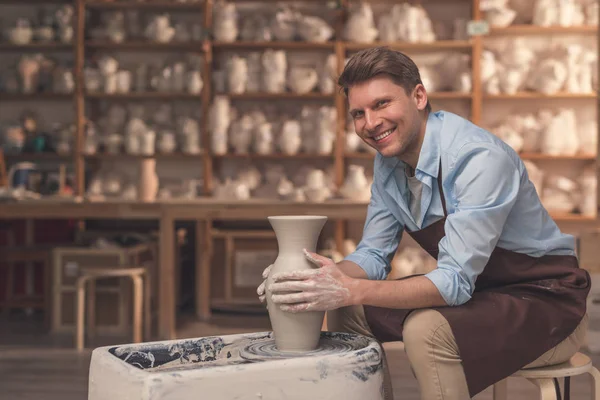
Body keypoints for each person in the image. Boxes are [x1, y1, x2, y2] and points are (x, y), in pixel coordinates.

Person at [256, 47, 591, 400]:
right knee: (347, 312)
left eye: (382, 104)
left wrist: (351, 288)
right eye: (358, 113)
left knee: (425, 330)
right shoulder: (389, 166)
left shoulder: (477, 158)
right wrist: (309, 281)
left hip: (548, 302)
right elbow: (371, 256)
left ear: (418, 96)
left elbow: (454, 282)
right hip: (483, 293)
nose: (370, 123)